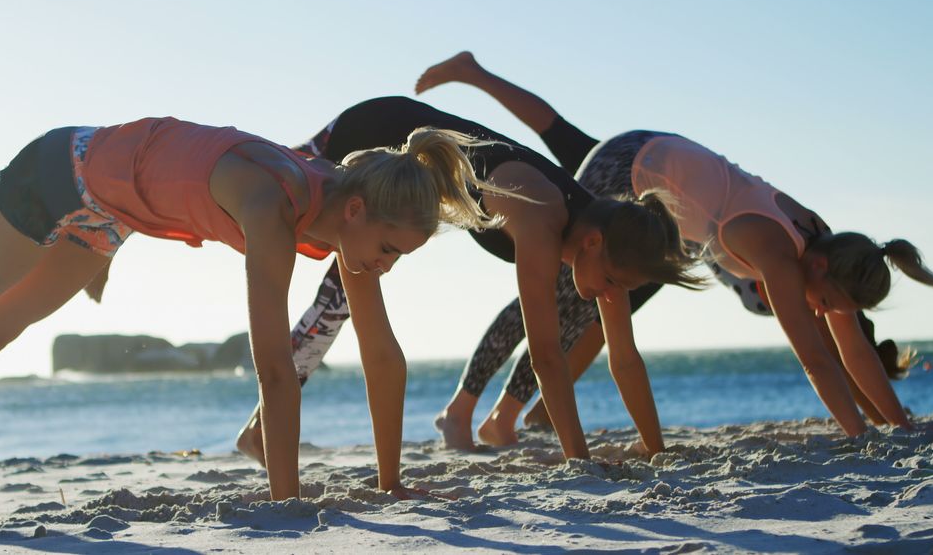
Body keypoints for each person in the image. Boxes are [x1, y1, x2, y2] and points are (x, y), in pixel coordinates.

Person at [0, 116, 515, 500]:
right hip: (60, 171)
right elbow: (275, 371)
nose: (385, 265)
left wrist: (390, 484)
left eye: (399, 257)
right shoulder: (274, 210)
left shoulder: (348, 212)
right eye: (387, 250)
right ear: (357, 213)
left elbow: (381, 356)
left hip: (110, 216)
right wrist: (288, 504)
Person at [418, 52, 933, 444]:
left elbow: (851, 348)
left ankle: (512, 417)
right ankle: (481, 414)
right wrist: (860, 436)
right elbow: (816, 360)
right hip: (628, 167)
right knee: (562, 294)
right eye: (826, 301)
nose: (823, 312)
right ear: (818, 268)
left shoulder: (827, 248)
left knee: (602, 304)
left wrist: (899, 426)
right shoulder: (779, 253)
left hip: (663, 172)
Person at [236, 96, 705, 464]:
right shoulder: (543, 220)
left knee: (350, 279)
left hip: (403, 133)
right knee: (339, 279)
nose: (610, 295)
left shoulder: (608, 238)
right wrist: (579, 461)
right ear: (592, 244)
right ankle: (264, 428)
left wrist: (655, 448)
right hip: (376, 130)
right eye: (610, 282)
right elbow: (546, 356)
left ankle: (263, 428)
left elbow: (624, 356)